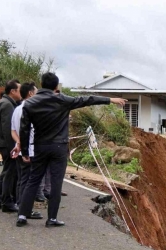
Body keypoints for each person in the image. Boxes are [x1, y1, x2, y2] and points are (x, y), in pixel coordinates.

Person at [17, 72, 126, 227]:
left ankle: (22, 215)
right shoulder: (62, 100)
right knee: (56, 183)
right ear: (56, 86)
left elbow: (24, 129)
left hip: (40, 146)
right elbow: (87, 100)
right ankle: (52, 219)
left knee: (33, 180)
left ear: (41, 84)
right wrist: (110, 99)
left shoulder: (30, 103)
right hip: (59, 147)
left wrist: (26, 151)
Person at [11, 82, 43, 221]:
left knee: (23, 179)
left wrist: (18, 143)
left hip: (19, 147)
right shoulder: (33, 109)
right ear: (30, 93)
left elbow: (13, 130)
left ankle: (21, 206)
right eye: (36, 92)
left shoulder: (17, 109)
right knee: (30, 180)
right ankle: (26, 210)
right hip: (29, 149)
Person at [0, 79, 21, 211]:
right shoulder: (7, 105)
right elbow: (8, 128)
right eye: (19, 90)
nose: (21, 93)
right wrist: (12, 148)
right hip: (7, 144)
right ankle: (7, 202)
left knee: (6, 172)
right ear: (13, 91)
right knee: (10, 173)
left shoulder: (3, 102)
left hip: (2, 143)